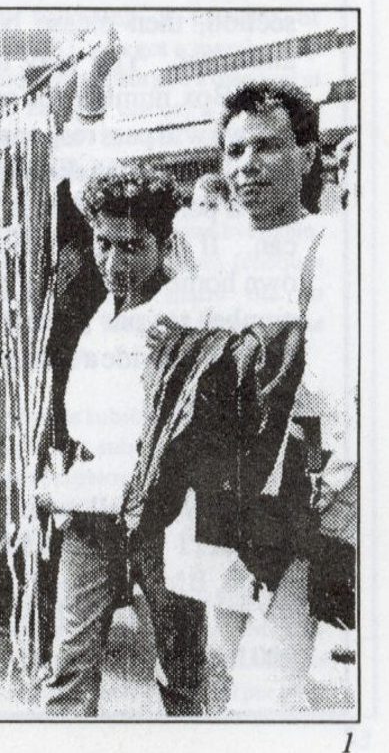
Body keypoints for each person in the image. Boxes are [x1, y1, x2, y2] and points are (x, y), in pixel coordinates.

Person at [160, 80, 357, 715]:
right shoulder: (213, 246)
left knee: (268, 694)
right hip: (218, 493)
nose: (246, 167)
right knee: (230, 667)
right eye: (234, 151)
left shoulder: (336, 244)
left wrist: (344, 479)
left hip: (295, 489)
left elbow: (337, 381)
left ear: (307, 154)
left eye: (266, 148)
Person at [36, 165, 207, 717]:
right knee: (68, 669)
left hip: (160, 520)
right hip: (90, 516)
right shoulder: (102, 312)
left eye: (131, 247)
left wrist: (189, 301)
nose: (112, 262)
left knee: (180, 671)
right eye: (102, 244)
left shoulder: (180, 315)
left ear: (163, 244)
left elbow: (164, 440)